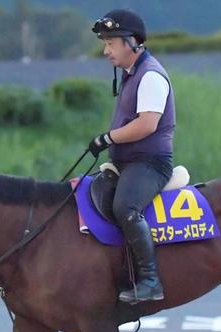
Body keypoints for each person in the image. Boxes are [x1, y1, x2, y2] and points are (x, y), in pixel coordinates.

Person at [88, 8, 176, 303]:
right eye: (105, 43)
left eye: (111, 43)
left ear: (132, 42)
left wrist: (107, 137)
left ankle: (150, 280)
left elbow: (146, 124)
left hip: (150, 163)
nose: (106, 51)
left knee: (125, 207)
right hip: (128, 161)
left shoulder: (150, 76)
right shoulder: (131, 74)